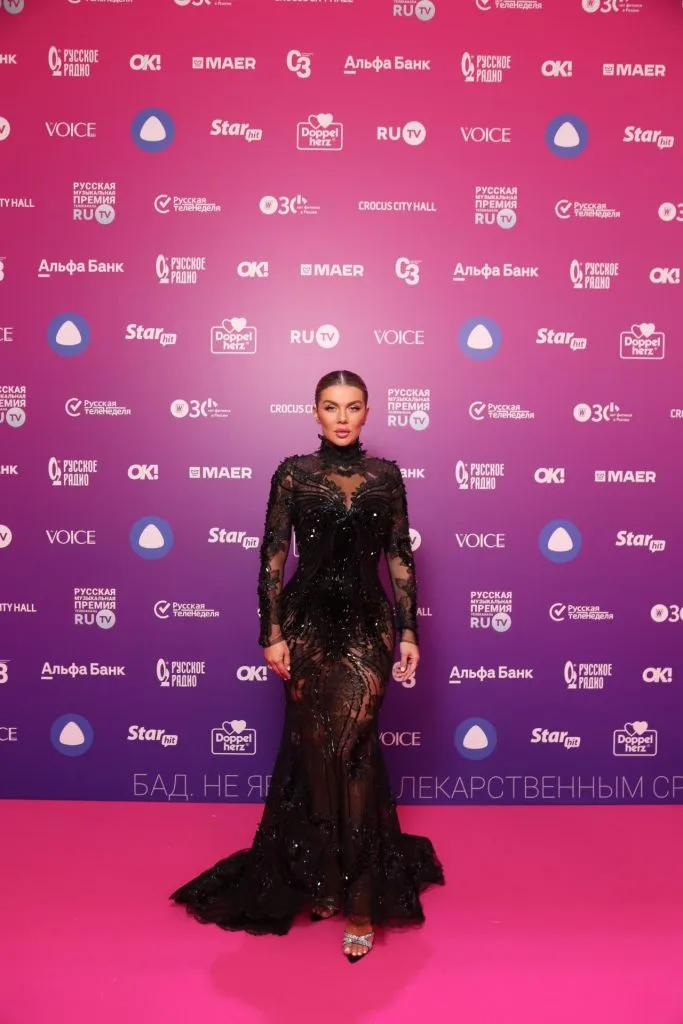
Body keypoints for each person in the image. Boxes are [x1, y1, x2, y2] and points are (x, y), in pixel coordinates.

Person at [170, 369, 444, 963]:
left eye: (353, 406)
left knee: (357, 748)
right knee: (317, 752)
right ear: (315, 412)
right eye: (331, 406)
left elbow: (399, 556)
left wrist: (409, 631)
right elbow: (272, 557)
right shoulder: (292, 474)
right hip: (307, 625)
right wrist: (270, 633)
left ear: (367, 412)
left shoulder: (387, 477)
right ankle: (322, 877)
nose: (342, 417)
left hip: (367, 625)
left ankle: (362, 899)